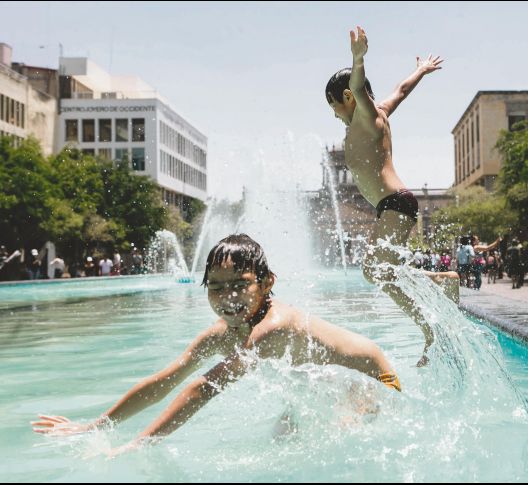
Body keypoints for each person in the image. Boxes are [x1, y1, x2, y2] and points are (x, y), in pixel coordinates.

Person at [32, 234, 401, 455]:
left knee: (342, 451)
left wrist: (139, 443)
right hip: (329, 387)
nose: (229, 298)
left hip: (375, 382)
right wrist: (95, 426)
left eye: (240, 284)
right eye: (217, 287)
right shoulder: (224, 332)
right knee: (282, 442)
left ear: (267, 282)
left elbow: (203, 388)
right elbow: (166, 380)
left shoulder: (274, 326)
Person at [326, 26, 458, 364]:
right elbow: (400, 90)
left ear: (348, 99)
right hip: (394, 204)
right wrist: (420, 70)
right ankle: (439, 283)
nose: (333, 112)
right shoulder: (378, 113)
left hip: (394, 203)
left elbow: (357, 85)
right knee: (388, 269)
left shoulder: (365, 117)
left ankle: (432, 321)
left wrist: (357, 59)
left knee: (374, 270)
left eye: (334, 105)